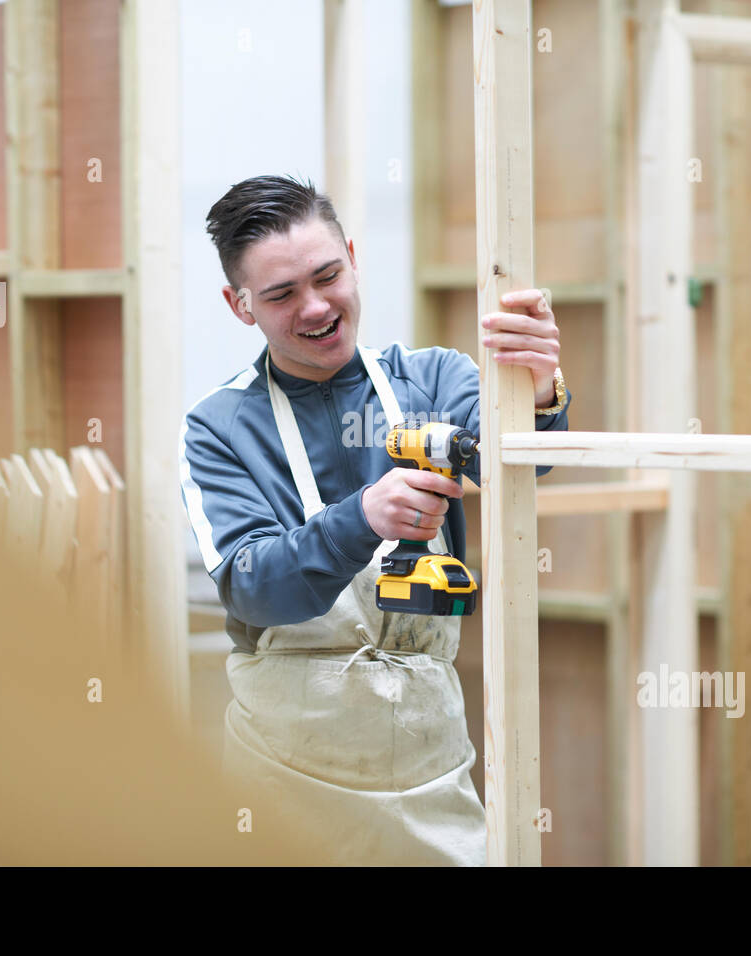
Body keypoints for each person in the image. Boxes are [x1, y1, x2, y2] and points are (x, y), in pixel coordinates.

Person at [180, 174, 571, 865]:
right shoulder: (218, 427)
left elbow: (521, 465)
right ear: (239, 306)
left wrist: (537, 387)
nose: (315, 307)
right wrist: (359, 517)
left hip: (426, 760)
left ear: (353, 258)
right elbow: (254, 588)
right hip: (281, 772)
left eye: (328, 276)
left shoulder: (434, 379)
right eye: (280, 294)